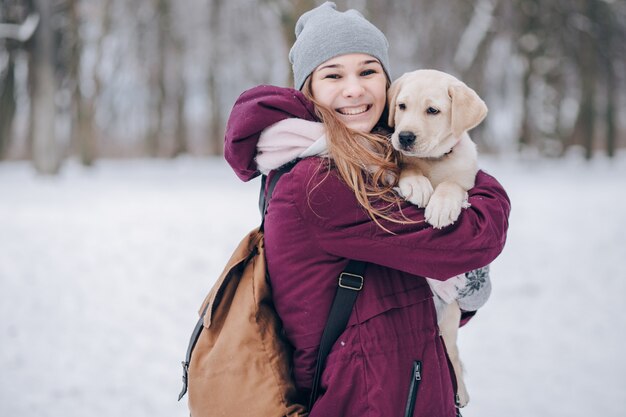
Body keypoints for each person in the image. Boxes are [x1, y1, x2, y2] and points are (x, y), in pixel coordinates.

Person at [223, 2, 510, 416]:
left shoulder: (372, 163)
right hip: (361, 402)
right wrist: (486, 187)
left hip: (403, 391)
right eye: (334, 75)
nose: (354, 88)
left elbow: (407, 286)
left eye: (368, 71)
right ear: (310, 90)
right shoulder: (319, 183)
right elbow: (467, 241)